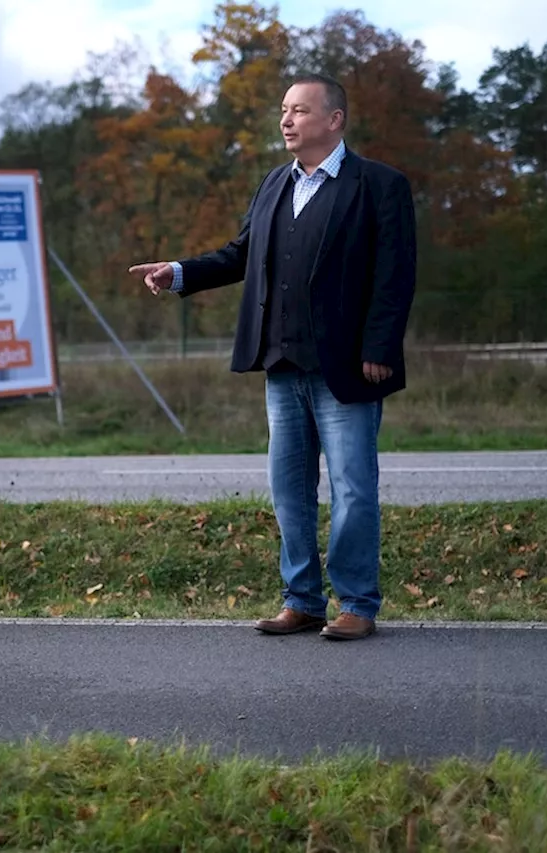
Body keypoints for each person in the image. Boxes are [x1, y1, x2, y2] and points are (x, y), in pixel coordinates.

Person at [128, 73, 417, 641]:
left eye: (300, 111)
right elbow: (240, 254)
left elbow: (395, 275)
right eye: (283, 110)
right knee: (289, 491)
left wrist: (380, 347)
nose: (286, 120)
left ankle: (357, 603)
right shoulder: (273, 184)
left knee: (354, 488)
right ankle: (303, 600)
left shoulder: (379, 185)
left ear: (334, 120)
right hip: (281, 366)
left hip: (349, 369)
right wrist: (179, 272)